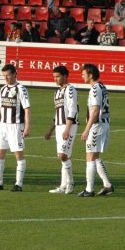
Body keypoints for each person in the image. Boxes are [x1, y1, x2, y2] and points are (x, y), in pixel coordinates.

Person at [0, 64, 30, 192]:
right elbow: (0, 108)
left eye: (8, 75)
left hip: (16, 126)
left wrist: (27, 127)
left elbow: (27, 109)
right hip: (3, 126)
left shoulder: (21, 89)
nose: (6, 78)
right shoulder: (3, 89)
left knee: (18, 154)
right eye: (4, 76)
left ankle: (18, 184)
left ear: (15, 74)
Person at [78, 64, 114, 197]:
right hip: (103, 123)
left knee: (90, 156)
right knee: (95, 156)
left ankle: (89, 189)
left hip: (97, 125)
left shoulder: (94, 89)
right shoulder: (102, 86)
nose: (82, 76)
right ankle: (107, 185)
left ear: (90, 75)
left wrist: (87, 129)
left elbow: (96, 110)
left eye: (83, 74)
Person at [45, 66, 78, 194]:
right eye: (54, 77)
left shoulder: (70, 90)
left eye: (57, 76)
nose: (55, 79)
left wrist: (67, 128)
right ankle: (63, 185)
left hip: (68, 125)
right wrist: (50, 129)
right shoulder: (57, 92)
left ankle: (71, 183)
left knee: (63, 155)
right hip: (59, 126)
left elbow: (73, 109)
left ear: (65, 76)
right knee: (62, 156)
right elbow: (57, 112)